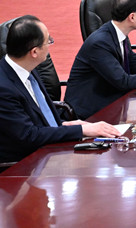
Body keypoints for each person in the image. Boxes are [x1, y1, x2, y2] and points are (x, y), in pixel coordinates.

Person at [0, 16, 120, 163]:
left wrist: (65, 125)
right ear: (34, 52)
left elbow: (40, 118)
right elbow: (28, 135)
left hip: (47, 148)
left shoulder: (28, 68)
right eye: (48, 41)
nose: (50, 45)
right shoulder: (4, 88)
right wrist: (81, 130)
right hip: (24, 164)